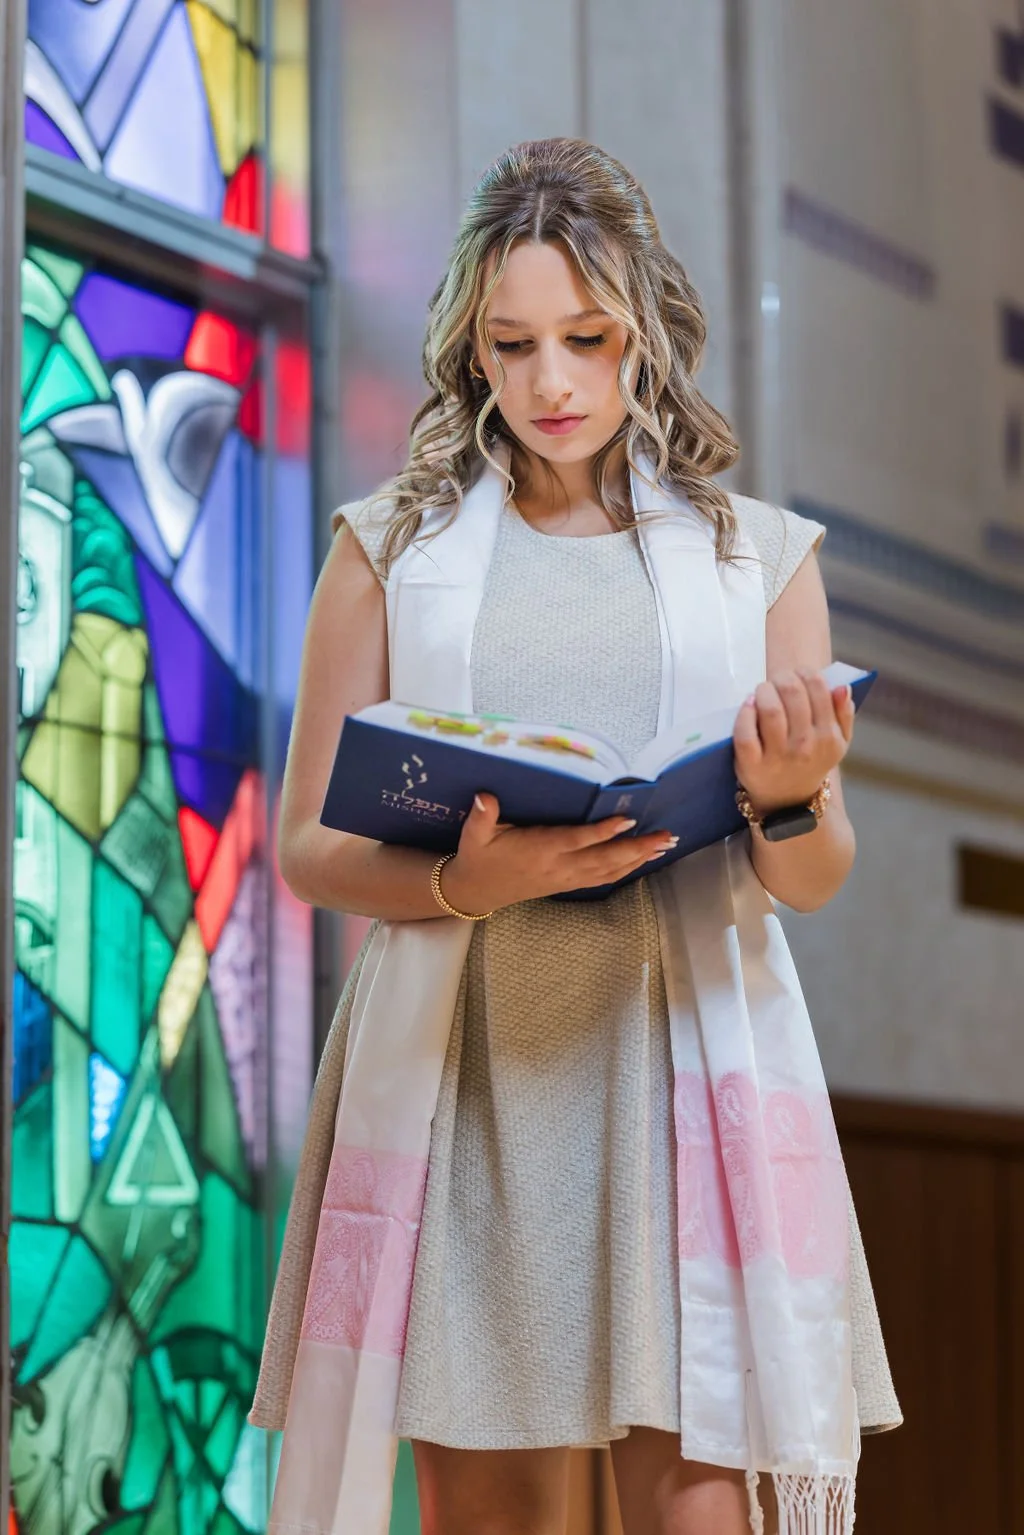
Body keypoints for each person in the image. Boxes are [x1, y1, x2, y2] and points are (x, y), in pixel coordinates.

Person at [249, 138, 900, 1535]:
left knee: (706, 1513)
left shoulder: (759, 559)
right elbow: (306, 842)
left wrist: (789, 792)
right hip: (472, 1082)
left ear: (644, 332)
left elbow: (814, 872)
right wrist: (454, 879)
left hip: (677, 1077)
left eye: (587, 339)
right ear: (470, 346)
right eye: (514, 342)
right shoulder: (384, 549)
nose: (550, 383)